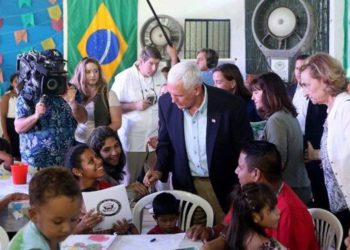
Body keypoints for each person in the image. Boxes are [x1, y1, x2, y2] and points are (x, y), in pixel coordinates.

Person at [143, 62, 253, 224]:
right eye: (171, 93)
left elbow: (244, 147)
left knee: (229, 235)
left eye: (178, 95)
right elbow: (165, 142)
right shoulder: (166, 103)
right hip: (187, 185)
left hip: (224, 185)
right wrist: (159, 169)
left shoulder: (230, 105)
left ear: (196, 89)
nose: (172, 100)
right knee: (193, 236)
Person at [187, 140, 319, 250]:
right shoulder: (249, 195)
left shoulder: (289, 212)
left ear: (255, 174)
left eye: (240, 167)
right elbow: (230, 227)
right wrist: (210, 232)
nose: (236, 171)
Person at [301, 52, 350, 246]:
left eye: (306, 85)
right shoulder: (332, 110)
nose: (304, 92)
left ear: (324, 79)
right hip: (339, 206)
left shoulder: (346, 110)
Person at [14, 49, 87, 170]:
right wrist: (36, 116)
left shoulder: (69, 89)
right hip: (36, 165)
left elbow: (83, 118)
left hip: (66, 163)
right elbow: (18, 127)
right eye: (52, 66)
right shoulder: (29, 93)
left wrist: (73, 103)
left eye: (60, 65)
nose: (56, 69)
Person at [111, 46, 170, 186]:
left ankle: (156, 206)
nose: (154, 68)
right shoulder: (124, 77)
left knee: (159, 179)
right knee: (129, 180)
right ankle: (129, 207)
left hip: (155, 139)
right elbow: (112, 107)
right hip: (133, 139)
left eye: (157, 64)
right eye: (151, 63)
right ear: (140, 61)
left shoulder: (160, 76)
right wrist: (134, 106)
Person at [250, 72, 312, 205]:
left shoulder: (276, 120)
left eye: (256, 93)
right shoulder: (286, 114)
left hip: (289, 190)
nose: (252, 97)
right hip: (298, 187)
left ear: (268, 93)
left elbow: (277, 162)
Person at [64, 143, 136, 235]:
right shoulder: (66, 198)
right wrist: (80, 228)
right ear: (77, 171)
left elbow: (131, 229)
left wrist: (123, 229)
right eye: (91, 161)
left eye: (96, 156)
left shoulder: (108, 189)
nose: (99, 161)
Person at [287, 54, 329, 210]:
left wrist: (317, 154)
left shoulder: (343, 107)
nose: (304, 93)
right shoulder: (295, 92)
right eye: (297, 68)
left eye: (307, 85)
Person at [8, 167, 82, 250]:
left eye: (74, 219)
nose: (67, 229)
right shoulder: (34, 247)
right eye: (58, 222)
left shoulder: (46, 230)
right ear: (34, 215)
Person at [202, 183, 285, 250]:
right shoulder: (267, 246)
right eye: (272, 209)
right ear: (255, 217)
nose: (279, 211)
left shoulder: (237, 234)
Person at [87, 126, 149, 200]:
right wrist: (126, 190)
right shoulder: (97, 176)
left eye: (116, 146)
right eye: (107, 150)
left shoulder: (111, 167)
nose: (114, 153)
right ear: (96, 154)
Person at [70, 57, 121, 143]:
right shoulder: (73, 94)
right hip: (76, 143)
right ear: (81, 73)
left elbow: (117, 123)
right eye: (88, 72)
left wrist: (99, 136)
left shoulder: (109, 95)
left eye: (96, 71)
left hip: (101, 144)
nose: (93, 75)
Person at [0, 73, 20, 159]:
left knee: (21, 153)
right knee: (12, 154)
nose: (19, 83)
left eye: (21, 81)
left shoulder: (27, 96)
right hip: (11, 127)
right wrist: (6, 134)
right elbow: (3, 116)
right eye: (16, 81)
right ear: (12, 84)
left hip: (23, 126)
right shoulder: (7, 96)